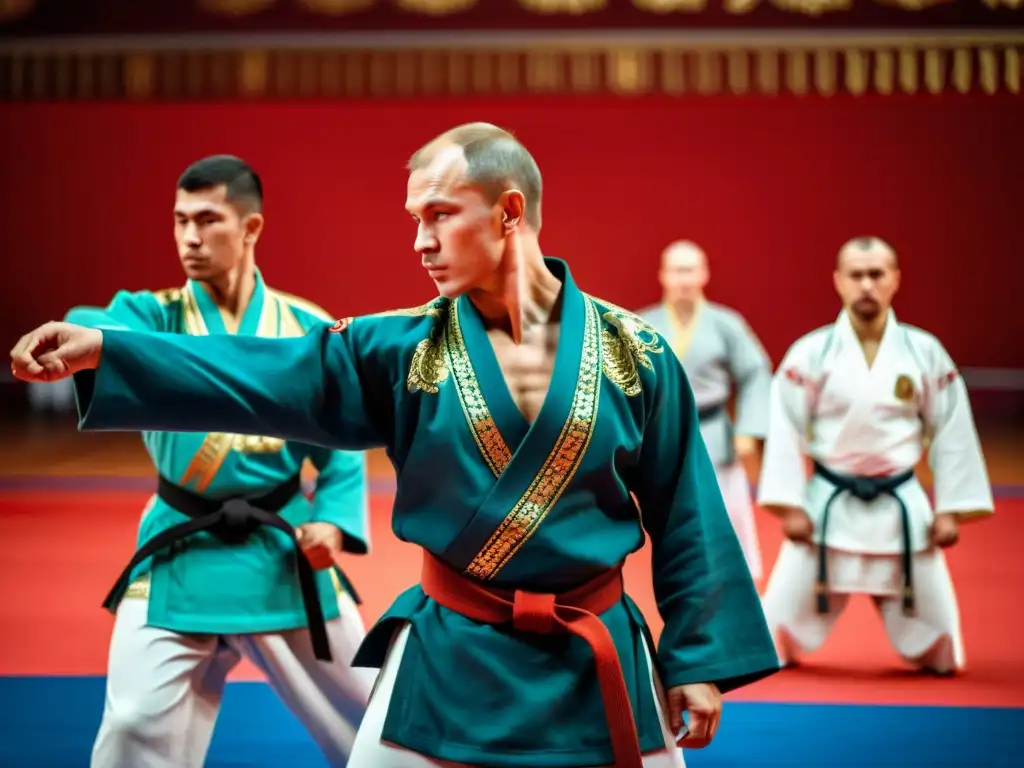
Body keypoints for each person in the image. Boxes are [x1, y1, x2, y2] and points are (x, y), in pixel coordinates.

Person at [11, 125, 780, 768]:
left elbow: (689, 513)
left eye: (440, 215)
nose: (419, 242)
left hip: (596, 651)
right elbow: (263, 370)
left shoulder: (635, 353)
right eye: (414, 219)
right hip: (450, 648)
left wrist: (698, 660)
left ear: (510, 212)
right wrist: (112, 351)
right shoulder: (402, 351)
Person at [60, 155, 376, 767]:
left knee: (376, 713)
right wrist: (69, 335)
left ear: (251, 228)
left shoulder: (302, 326)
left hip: (282, 551)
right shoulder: (153, 320)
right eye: (179, 221)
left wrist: (333, 523)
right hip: (182, 548)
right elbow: (95, 327)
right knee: (130, 724)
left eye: (207, 220)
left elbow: (339, 446)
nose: (189, 238)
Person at [755, 236, 994, 675]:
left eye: (877, 274)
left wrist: (951, 511)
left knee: (942, 650)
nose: (867, 284)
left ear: (895, 280)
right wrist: (789, 505)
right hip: (828, 502)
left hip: (901, 503)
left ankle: (931, 651)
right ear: (838, 282)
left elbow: (951, 429)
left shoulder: (924, 351)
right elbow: (785, 426)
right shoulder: (811, 352)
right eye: (856, 275)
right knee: (771, 637)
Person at [636, 240, 772, 580]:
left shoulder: (725, 323)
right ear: (663, 275)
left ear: (704, 274)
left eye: (690, 270)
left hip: (714, 432)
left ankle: (742, 584)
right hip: (663, 435)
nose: (683, 279)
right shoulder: (640, 324)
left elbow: (755, 372)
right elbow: (624, 382)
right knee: (671, 519)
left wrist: (749, 431)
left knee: (730, 515)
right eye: (676, 271)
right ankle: (683, 582)